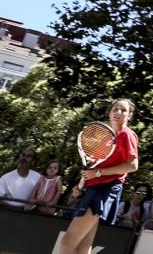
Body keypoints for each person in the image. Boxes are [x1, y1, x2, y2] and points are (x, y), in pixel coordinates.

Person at [60, 97, 139, 254]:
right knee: (83, 247)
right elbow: (94, 166)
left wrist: (97, 173)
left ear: (129, 116)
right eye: (115, 108)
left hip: (106, 189)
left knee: (67, 242)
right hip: (94, 188)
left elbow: (133, 166)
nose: (118, 112)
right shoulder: (105, 138)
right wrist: (81, 186)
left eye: (124, 110)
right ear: (109, 112)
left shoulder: (127, 134)